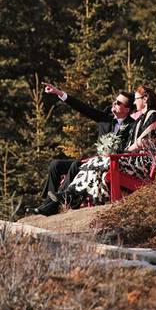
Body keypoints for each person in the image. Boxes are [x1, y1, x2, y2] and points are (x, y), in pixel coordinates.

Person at [29, 84, 135, 216]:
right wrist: (59, 93)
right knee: (55, 165)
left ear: (127, 109)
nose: (114, 103)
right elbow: (83, 108)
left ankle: (52, 206)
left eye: (118, 103)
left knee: (75, 165)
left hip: (108, 166)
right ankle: (48, 203)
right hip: (93, 162)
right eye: (114, 100)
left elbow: (131, 148)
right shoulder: (105, 117)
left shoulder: (132, 125)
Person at [62, 86, 156, 207]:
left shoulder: (153, 115)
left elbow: (147, 140)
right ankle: (71, 196)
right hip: (133, 160)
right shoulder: (143, 116)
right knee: (96, 164)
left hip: (140, 164)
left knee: (98, 161)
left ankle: (72, 197)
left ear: (145, 98)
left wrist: (125, 151)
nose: (135, 102)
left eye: (137, 99)